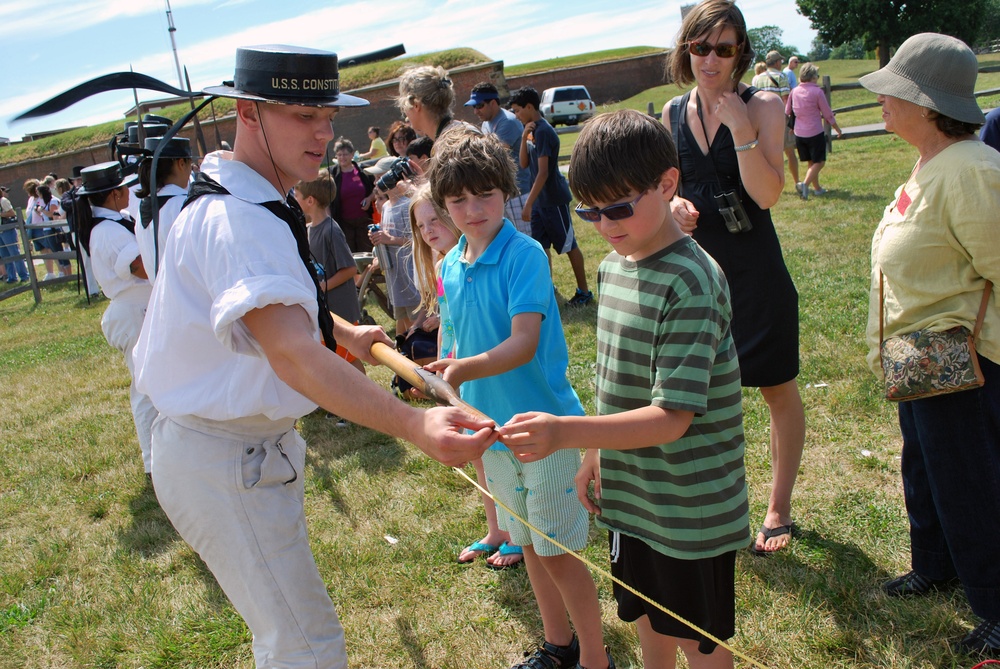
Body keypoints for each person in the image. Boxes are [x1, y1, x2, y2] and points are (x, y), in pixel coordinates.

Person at [131, 44, 495, 668]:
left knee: (293, 636)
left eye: (326, 115)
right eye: (302, 115)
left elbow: (265, 310)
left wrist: (345, 334)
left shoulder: (240, 196)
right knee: (305, 646)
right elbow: (292, 355)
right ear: (248, 113)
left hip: (237, 451)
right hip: (225, 456)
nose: (324, 133)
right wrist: (413, 423)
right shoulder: (237, 216)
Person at [503, 108, 750, 669]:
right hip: (631, 497)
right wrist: (594, 454)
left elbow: (670, 417)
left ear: (667, 184)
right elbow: (614, 382)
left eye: (618, 208)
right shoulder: (614, 269)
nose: (604, 225)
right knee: (645, 620)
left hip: (688, 508)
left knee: (698, 639)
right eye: (589, 212)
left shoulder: (692, 280)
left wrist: (565, 433)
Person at [425, 129, 611, 669]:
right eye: (457, 199)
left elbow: (523, 341)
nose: (470, 208)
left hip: (543, 430)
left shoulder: (524, 255)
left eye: (482, 195)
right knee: (526, 542)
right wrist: (444, 379)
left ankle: (597, 658)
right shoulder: (448, 266)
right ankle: (558, 645)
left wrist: (462, 368)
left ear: (505, 190)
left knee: (558, 549)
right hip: (490, 432)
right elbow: (452, 334)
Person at [859, 32, 1000, 658]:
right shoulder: (934, 162)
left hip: (967, 364)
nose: (883, 97)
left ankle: (998, 605)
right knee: (927, 467)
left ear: (928, 100)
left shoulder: (972, 170)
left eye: (897, 88)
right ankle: (936, 564)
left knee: (969, 482)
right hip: (922, 360)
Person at [662, 0, 804, 555]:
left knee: (776, 387)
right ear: (687, 49)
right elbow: (666, 186)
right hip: (700, 276)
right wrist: (674, 207)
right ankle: (711, 506)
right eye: (701, 47)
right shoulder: (674, 112)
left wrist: (742, 130)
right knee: (699, 398)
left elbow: (768, 194)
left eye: (724, 48)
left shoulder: (763, 105)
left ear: (740, 52)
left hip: (756, 270)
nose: (711, 59)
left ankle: (778, 507)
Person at [408, 183, 523, 569]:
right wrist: (440, 363)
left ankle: (516, 532)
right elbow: (449, 322)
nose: (428, 231)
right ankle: (496, 530)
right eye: (420, 226)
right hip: (460, 372)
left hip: (490, 370)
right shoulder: (445, 267)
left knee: (501, 453)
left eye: (433, 220)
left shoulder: (485, 261)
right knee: (480, 454)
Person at [75, 162, 157, 475]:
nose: (128, 192)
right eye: (123, 188)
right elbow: (141, 267)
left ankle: (160, 456)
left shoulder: (114, 222)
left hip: (137, 307)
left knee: (152, 381)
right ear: (113, 194)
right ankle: (152, 461)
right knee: (146, 387)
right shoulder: (108, 231)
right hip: (133, 309)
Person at [509, 86, 594, 307]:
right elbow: (525, 163)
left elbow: (544, 172)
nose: (516, 116)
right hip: (539, 201)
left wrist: (527, 204)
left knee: (568, 245)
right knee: (540, 246)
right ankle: (546, 288)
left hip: (553, 199)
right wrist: (523, 134)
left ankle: (584, 292)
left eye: (518, 111)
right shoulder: (531, 131)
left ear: (530, 107)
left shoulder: (545, 131)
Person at [295, 170, 364, 380]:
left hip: (341, 310)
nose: (294, 200)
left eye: (296, 196)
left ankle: (363, 394)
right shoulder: (309, 229)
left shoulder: (330, 230)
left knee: (350, 357)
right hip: (325, 310)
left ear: (309, 200)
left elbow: (350, 269)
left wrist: (322, 286)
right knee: (331, 355)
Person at [465, 82, 532, 234]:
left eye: (479, 105)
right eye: (473, 107)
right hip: (504, 193)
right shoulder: (486, 124)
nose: (475, 111)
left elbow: (493, 156)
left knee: (525, 241)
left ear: (493, 103)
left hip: (519, 192)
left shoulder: (507, 122)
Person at [366, 156, 421, 336]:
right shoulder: (387, 206)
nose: (376, 182)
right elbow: (389, 235)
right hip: (395, 279)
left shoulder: (407, 205)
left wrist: (390, 239)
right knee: (401, 322)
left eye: (379, 177)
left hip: (410, 278)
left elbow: (419, 241)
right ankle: (401, 352)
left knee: (417, 325)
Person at [134, 135, 194, 279]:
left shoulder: (142, 208)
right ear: (181, 163)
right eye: (190, 164)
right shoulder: (183, 205)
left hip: (160, 297)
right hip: (189, 297)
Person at [786, 63, 843, 198]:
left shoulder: (794, 91)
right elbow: (827, 114)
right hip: (814, 132)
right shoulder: (817, 92)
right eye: (816, 75)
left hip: (799, 134)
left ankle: (817, 188)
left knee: (811, 162)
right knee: (820, 161)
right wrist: (837, 129)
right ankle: (805, 185)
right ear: (812, 77)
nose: (817, 77)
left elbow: (788, 111)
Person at [751, 50, 800, 194]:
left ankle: (764, 185)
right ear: (777, 62)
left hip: (759, 120)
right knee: (789, 151)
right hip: (778, 119)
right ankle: (797, 182)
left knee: (762, 155)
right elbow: (786, 100)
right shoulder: (781, 76)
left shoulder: (757, 78)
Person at [396, 65, 475, 143]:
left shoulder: (450, 144)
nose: (405, 113)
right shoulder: (462, 130)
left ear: (416, 105)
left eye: (404, 105)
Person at [329, 137, 375, 253]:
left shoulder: (363, 171)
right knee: (349, 254)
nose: (342, 158)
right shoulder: (332, 174)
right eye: (339, 155)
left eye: (345, 154)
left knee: (367, 252)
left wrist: (369, 199)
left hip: (364, 221)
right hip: (344, 223)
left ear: (352, 154)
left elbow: (376, 189)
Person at [0, 186, 30, 283]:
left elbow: (12, 213)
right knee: (5, 255)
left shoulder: (3, 201)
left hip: (7, 230)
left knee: (14, 253)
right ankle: (12, 277)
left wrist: (1, 214)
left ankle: (24, 275)